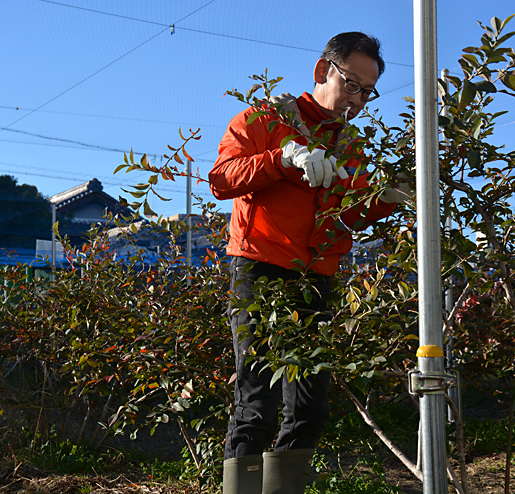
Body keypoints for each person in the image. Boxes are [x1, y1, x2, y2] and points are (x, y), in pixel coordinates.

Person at [209, 32, 408, 494]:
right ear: (323, 72)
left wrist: (388, 198)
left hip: (316, 275)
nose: (357, 101)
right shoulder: (264, 119)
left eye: (367, 92)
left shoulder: (349, 147)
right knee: (257, 400)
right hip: (259, 266)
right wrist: (282, 158)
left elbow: (350, 213)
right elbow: (221, 180)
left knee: (310, 407)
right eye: (352, 85)